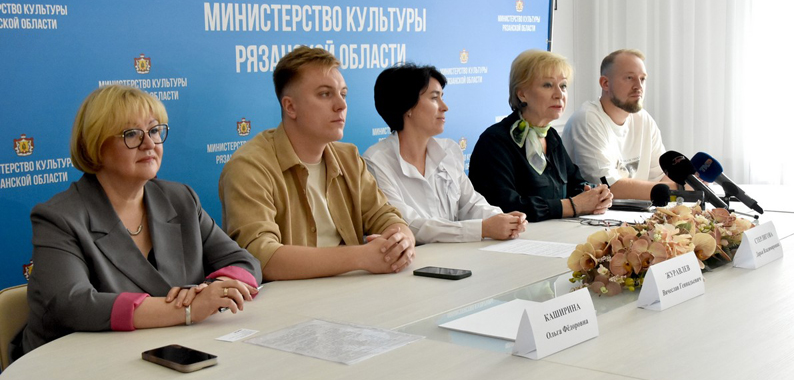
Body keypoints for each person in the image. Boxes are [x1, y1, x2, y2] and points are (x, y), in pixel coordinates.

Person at [20, 86, 261, 356]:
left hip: (170, 352)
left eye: (155, 130)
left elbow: (245, 262)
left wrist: (214, 290)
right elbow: (73, 304)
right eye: (132, 134)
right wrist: (189, 308)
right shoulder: (59, 217)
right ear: (95, 145)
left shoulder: (180, 199)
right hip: (77, 362)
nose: (150, 144)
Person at [219, 46, 415, 281]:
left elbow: (385, 216)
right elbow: (261, 257)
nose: (341, 105)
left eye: (343, 94)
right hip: (289, 299)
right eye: (325, 94)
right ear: (290, 107)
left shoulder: (348, 157)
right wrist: (361, 257)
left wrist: (402, 240)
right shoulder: (249, 166)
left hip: (353, 290)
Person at [363, 63, 528, 244]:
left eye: (442, 97)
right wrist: (482, 229)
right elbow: (408, 225)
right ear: (407, 106)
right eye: (434, 98)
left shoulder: (449, 150)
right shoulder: (376, 162)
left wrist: (503, 219)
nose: (445, 107)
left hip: (455, 253)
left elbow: (471, 203)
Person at [469, 50, 613, 222]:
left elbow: (575, 182)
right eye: (547, 85)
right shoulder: (495, 141)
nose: (559, 94)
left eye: (563, 86)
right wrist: (572, 206)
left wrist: (595, 194)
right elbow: (505, 206)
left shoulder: (551, 135)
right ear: (522, 94)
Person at [562, 49, 679, 200]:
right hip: (597, 214)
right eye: (629, 78)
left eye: (642, 79)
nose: (638, 86)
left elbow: (661, 177)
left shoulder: (643, 119)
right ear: (605, 83)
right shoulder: (586, 119)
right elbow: (608, 187)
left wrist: (685, 185)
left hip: (638, 212)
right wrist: (679, 188)